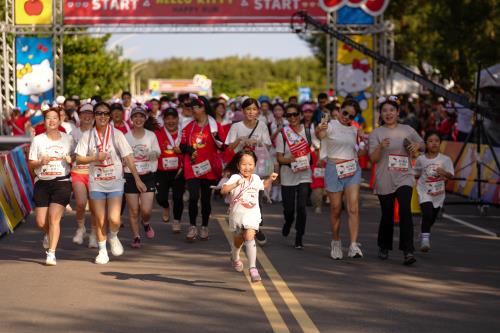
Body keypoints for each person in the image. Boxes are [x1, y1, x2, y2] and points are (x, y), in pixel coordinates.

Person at [75, 102, 147, 264]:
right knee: (100, 219)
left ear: (109, 116)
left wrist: (137, 178)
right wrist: (94, 158)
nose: (102, 116)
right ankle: (102, 251)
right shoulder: (88, 136)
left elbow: (128, 157)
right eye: (99, 113)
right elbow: (78, 158)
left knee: (114, 219)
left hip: (115, 181)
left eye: (106, 113)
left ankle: (113, 236)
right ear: (94, 116)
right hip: (96, 182)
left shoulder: (117, 134)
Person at [369, 96, 424, 265]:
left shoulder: (407, 129)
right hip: (384, 177)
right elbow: (373, 159)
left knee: (405, 211)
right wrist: (380, 147)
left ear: (398, 112)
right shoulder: (376, 133)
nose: (388, 113)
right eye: (385, 111)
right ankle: (384, 245)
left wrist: (417, 146)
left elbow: (421, 142)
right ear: (381, 114)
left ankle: (408, 251)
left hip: (404, 176)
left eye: (391, 110)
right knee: (387, 215)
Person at [316, 99, 365, 259]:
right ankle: (336, 242)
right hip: (333, 169)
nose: (347, 117)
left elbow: (362, 153)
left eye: (351, 116)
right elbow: (320, 134)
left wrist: (363, 139)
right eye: (345, 113)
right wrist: (320, 128)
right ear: (340, 110)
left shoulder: (354, 130)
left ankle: (353, 245)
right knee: (336, 209)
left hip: (352, 169)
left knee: (353, 208)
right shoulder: (330, 125)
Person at [221, 150, 278, 282]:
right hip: (238, 215)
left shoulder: (256, 178)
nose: (247, 167)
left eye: (251, 164)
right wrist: (235, 184)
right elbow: (224, 190)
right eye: (244, 164)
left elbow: (263, 186)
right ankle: (235, 255)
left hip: (252, 214)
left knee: (249, 235)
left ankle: (253, 268)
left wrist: (270, 179)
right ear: (238, 166)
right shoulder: (235, 177)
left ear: (255, 165)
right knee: (239, 239)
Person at [28, 108, 74, 265]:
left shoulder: (68, 139)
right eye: (49, 118)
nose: (52, 121)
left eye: (55, 118)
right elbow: (31, 163)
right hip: (42, 182)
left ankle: (51, 254)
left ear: (60, 121)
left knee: (54, 218)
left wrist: (71, 159)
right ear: (44, 121)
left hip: (62, 182)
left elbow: (77, 157)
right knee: (41, 222)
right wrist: (41, 162)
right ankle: (48, 234)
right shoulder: (38, 140)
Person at [225, 97, 273, 246]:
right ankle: (241, 226)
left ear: (258, 111)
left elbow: (269, 146)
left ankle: (256, 227)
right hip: (240, 170)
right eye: (248, 109)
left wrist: (257, 142)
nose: (251, 112)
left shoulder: (262, 126)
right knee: (239, 198)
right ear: (243, 111)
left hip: (257, 169)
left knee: (256, 198)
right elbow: (229, 148)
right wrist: (240, 140)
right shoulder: (236, 127)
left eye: (254, 109)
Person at [179, 96, 225, 241]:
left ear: (203, 108)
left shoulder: (215, 126)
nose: (193, 111)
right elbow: (181, 146)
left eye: (196, 108)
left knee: (206, 200)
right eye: (191, 108)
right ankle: (192, 226)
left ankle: (204, 226)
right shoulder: (188, 126)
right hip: (192, 167)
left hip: (209, 168)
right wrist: (190, 150)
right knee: (193, 197)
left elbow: (224, 145)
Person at [276, 104, 314, 249]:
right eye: (289, 115)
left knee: (302, 207)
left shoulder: (308, 132)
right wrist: (289, 160)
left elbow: (317, 147)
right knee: (289, 209)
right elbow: (279, 158)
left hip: (304, 174)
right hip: (288, 174)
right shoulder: (282, 135)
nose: (292, 117)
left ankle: (299, 237)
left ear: (300, 115)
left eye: (295, 114)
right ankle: (288, 221)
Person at [124, 105, 161, 248]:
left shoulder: (151, 135)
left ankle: (145, 223)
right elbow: (123, 156)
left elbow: (158, 151)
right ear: (131, 119)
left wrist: (153, 154)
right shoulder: (126, 137)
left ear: (145, 119)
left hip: (147, 175)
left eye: (141, 116)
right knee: (133, 210)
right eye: (135, 116)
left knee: (146, 210)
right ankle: (136, 237)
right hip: (130, 176)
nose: (138, 119)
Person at [415, 131, 454, 252]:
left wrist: (444, 173)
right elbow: (417, 173)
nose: (434, 144)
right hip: (424, 191)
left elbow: (451, 175)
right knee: (427, 213)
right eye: (431, 141)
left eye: (436, 141)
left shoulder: (445, 159)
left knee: (432, 216)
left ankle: (424, 230)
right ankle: (425, 241)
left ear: (440, 143)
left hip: (438, 194)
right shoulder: (421, 159)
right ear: (426, 144)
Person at [71, 103, 98, 248]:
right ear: (79, 116)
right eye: (84, 114)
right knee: (81, 203)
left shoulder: (98, 133)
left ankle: (94, 234)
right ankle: (81, 228)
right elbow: (68, 153)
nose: (87, 116)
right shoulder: (73, 133)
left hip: (95, 174)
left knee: (94, 207)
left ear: (94, 116)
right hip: (78, 172)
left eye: (90, 114)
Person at [155, 108, 185, 232]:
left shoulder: (183, 133)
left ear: (178, 119)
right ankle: (166, 206)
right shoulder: (157, 133)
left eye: (173, 118)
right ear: (164, 120)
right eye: (168, 118)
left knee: (178, 197)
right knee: (160, 198)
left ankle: (177, 221)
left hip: (179, 170)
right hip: (161, 170)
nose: (171, 121)